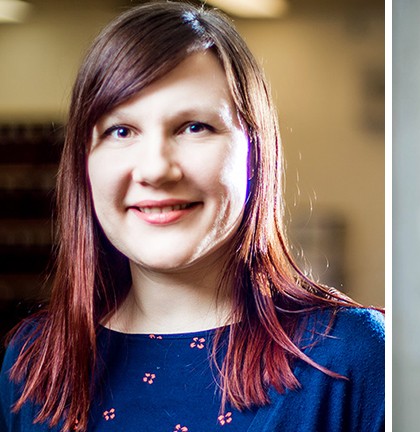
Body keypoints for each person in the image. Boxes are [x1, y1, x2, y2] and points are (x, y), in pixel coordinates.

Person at [0, 2, 384, 431]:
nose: (156, 169)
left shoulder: (349, 357)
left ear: (256, 152)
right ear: (83, 162)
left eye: (194, 127)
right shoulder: (33, 364)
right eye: (121, 131)